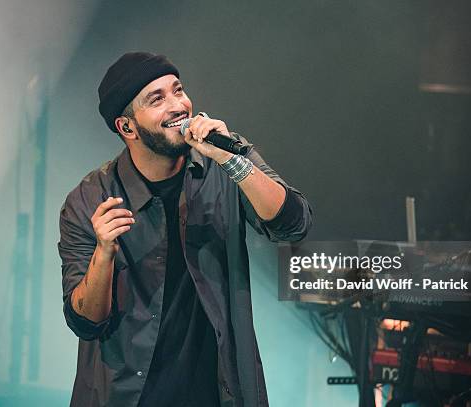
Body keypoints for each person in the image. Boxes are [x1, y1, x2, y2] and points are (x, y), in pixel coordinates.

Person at [58, 52, 312, 407]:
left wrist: (232, 160)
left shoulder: (223, 161)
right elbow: (86, 321)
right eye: (157, 99)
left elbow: (293, 224)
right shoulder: (89, 200)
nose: (178, 105)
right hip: (126, 396)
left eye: (178, 90)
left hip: (217, 392)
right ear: (127, 127)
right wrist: (104, 254)